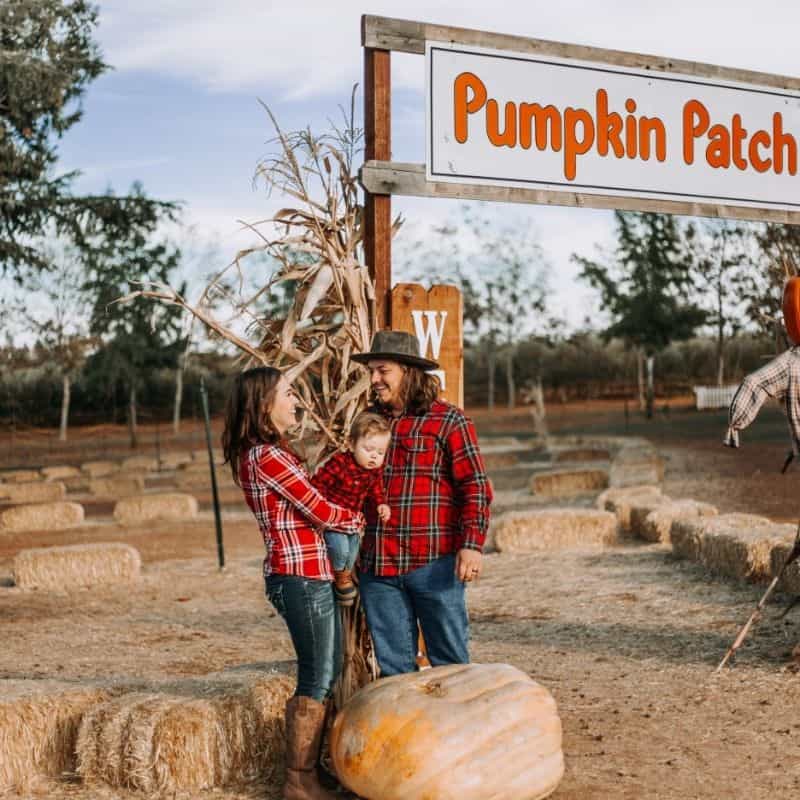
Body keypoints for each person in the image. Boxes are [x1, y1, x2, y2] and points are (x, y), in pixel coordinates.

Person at [222, 366, 363, 800]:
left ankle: (309, 773)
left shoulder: (266, 453)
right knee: (318, 674)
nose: (296, 400)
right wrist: (356, 519)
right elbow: (318, 509)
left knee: (329, 667)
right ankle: (297, 779)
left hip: (304, 573)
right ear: (264, 405)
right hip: (299, 574)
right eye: (287, 393)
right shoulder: (266, 456)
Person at [351, 330, 494, 676]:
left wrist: (472, 546)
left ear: (408, 371)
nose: (374, 379)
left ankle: (458, 730)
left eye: (382, 370)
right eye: (371, 371)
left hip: (434, 565)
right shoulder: (369, 423)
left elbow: (474, 486)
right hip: (379, 568)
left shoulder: (448, 420)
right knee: (395, 672)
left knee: (451, 666)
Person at [310, 411, 391, 606]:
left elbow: (376, 489)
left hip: (352, 518)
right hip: (332, 517)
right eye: (369, 449)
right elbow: (318, 484)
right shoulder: (339, 464)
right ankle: (340, 577)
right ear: (351, 444)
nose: (374, 456)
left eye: (380, 453)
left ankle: (343, 576)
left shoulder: (373, 471)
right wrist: (317, 507)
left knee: (353, 549)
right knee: (340, 548)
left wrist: (381, 503)